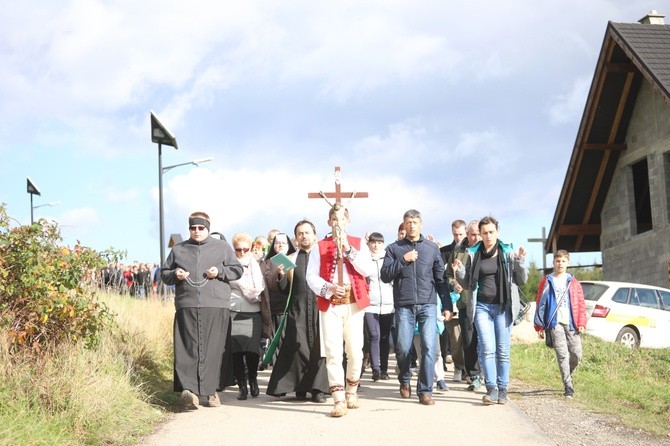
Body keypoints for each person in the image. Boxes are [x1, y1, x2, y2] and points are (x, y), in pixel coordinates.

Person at [161, 212, 243, 410]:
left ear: (207, 227)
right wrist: (175, 274)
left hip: (215, 305)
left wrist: (220, 272)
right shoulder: (179, 249)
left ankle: (211, 391)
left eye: (201, 228)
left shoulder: (222, 247)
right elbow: (164, 274)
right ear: (189, 229)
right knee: (188, 349)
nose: (196, 231)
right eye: (193, 228)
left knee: (213, 350)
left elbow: (237, 270)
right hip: (187, 305)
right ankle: (190, 392)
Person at [306, 203, 372, 417]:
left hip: (354, 303)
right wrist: (328, 288)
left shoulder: (358, 243)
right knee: (332, 352)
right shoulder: (319, 246)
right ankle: (339, 399)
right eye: (335, 219)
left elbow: (367, 269)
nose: (338, 223)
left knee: (355, 350)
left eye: (342, 219)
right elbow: (311, 276)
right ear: (329, 222)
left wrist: (348, 249)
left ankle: (352, 390)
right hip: (331, 304)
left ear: (348, 221)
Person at [381, 209, 452, 406]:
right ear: (403, 225)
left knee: (429, 348)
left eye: (415, 222)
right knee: (403, 348)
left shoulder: (431, 248)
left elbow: (441, 279)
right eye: (408, 222)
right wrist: (403, 260)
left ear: (421, 225)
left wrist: (447, 305)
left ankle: (425, 391)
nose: (411, 225)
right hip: (404, 305)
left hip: (428, 304)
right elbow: (385, 275)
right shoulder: (394, 249)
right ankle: (405, 379)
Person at [453, 216, 527, 405]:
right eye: (484, 233)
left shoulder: (507, 252)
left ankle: (503, 389)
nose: (487, 236)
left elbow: (522, 280)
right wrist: (460, 271)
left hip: (503, 306)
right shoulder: (474, 253)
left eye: (491, 232)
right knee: (487, 348)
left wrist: (520, 261)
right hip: (482, 307)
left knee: (502, 350)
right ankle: (491, 388)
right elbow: (466, 282)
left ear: (497, 232)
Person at [266, 220, 329, 402]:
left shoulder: (322, 257)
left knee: (320, 349)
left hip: (320, 308)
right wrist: (280, 275)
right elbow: (285, 289)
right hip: (298, 309)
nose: (304, 236)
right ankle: (300, 387)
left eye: (307, 232)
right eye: (300, 233)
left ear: (314, 235)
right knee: (297, 348)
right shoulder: (291, 259)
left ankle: (318, 389)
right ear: (296, 238)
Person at [534, 250, 587, 399]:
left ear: (568, 263)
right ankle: (568, 386)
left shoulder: (574, 282)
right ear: (553, 263)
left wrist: (582, 322)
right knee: (562, 355)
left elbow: (580, 304)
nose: (560, 264)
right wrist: (539, 325)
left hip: (572, 323)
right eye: (558, 261)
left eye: (563, 261)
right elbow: (540, 303)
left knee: (576, 355)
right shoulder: (547, 281)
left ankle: (567, 375)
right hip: (554, 322)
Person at [229, 233, 272, 400]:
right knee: (237, 351)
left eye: (245, 249)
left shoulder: (256, 264)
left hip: (253, 310)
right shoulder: (229, 264)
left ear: (250, 248)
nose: (241, 252)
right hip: (234, 309)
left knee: (252, 351)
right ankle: (241, 386)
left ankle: (252, 379)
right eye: (238, 249)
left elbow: (261, 286)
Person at [447, 220, 483, 390]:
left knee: (484, 340)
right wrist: (454, 283)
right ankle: (473, 374)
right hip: (464, 303)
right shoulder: (458, 250)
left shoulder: (486, 250)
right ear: (467, 234)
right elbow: (448, 274)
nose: (475, 237)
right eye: (472, 234)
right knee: (468, 341)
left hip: (484, 302)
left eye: (478, 234)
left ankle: (484, 374)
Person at [260, 232, 296, 365]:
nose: (279, 245)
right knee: (274, 338)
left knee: (285, 339)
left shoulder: (294, 259)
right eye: (277, 242)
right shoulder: (265, 263)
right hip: (270, 306)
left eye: (283, 243)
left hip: (288, 307)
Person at [364, 232, 394, 381]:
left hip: (388, 304)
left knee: (385, 338)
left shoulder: (388, 258)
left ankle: (384, 370)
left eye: (379, 243)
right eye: (373, 242)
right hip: (370, 305)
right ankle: (375, 369)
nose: (376, 245)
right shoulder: (364, 259)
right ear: (368, 244)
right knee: (374, 335)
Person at [440, 219, 467, 374]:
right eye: (455, 234)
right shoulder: (444, 252)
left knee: (469, 338)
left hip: (468, 301)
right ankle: (459, 366)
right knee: (456, 340)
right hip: (451, 301)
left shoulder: (471, 251)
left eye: (461, 234)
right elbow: (445, 276)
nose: (458, 237)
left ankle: (470, 371)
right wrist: (452, 284)